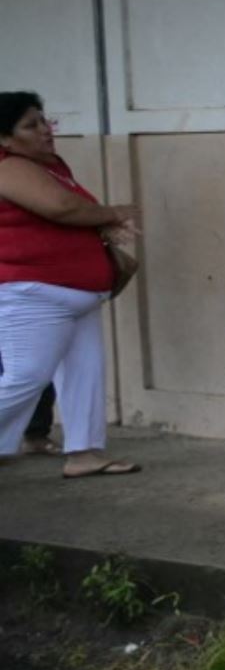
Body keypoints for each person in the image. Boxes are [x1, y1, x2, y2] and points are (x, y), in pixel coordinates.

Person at [0, 91, 141, 478]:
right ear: (5, 138)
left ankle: (85, 453)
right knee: (26, 376)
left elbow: (70, 213)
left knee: (85, 374)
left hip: (76, 294)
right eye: (32, 125)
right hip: (33, 293)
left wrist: (102, 223)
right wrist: (114, 213)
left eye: (45, 121)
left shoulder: (46, 166)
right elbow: (62, 208)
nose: (46, 130)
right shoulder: (8, 166)